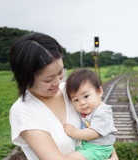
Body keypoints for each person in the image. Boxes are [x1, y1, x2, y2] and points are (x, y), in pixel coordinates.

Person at [9, 32, 118, 160]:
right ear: (26, 78)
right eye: (48, 80)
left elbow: (100, 127)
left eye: (60, 72)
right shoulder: (23, 112)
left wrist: (113, 155)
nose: (57, 82)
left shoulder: (71, 90)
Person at [64, 69, 117, 160]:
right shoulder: (89, 110)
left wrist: (74, 132)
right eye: (76, 100)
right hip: (90, 146)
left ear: (99, 92)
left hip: (99, 149)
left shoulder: (102, 112)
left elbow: (93, 133)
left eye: (86, 96)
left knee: (70, 158)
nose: (82, 103)